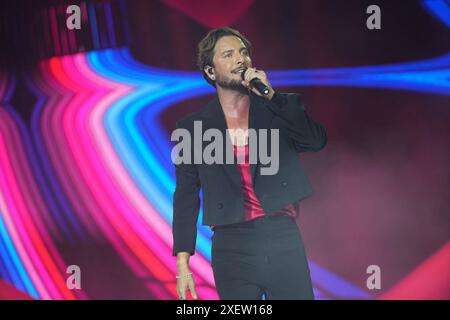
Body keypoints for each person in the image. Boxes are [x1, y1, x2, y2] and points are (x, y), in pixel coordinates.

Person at [172, 27, 327, 300]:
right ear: (210, 71)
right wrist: (183, 264)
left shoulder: (278, 109)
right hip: (231, 247)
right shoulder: (194, 128)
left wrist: (273, 98)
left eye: (243, 52)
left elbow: (314, 141)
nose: (240, 59)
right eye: (229, 54)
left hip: (282, 238)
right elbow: (186, 194)